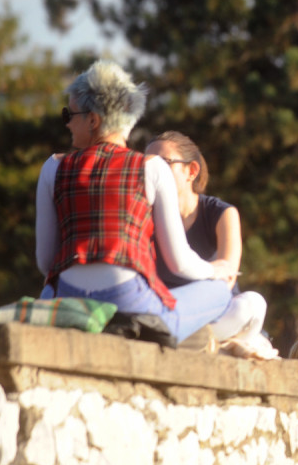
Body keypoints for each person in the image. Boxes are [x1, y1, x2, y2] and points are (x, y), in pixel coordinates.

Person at [35, 60, 233, 344]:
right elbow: (178, 263)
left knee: (46, 294)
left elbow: (45, 262)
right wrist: (216, 270)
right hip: (128, 301)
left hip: (69, 298)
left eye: (70, 113)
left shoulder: (53, 167)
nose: (67, 122)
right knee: (220, 293)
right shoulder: (152, 167)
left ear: (93, 120)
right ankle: (152, 330)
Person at [144, 131, 277, 359]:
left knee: (253, 304)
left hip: (214, 312)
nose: (153, 171)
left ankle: (204, 341)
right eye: (147, 165)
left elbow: (228, 277)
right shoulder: (144, 214)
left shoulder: (221, 213)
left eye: (164, 163)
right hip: (167, 312)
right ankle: (223, 345)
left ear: (191, 171)